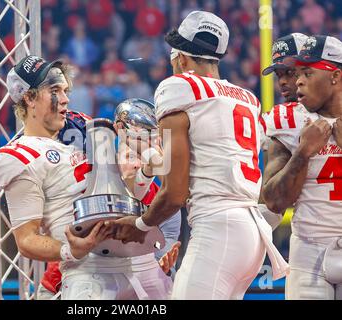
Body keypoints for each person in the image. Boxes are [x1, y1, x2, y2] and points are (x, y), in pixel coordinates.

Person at [108, 10, 289, 299]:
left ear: (179, 57)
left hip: (217, 228)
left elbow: (175, 192)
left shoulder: (179, 87)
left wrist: (140, 225)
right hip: (251, 231)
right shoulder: (248, 98)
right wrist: (149, 163)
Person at [0, 55, 173, 300]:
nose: (65, 99)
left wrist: (147, 171)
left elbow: (123, 196)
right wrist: (70, 249)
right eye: (55, 90)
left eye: (65, 90)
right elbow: (27, 239)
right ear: (29, 98)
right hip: (90, 274)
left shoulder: (86, 129)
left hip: (144, 267)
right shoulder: (18, 156)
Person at [262, 35, 342, 300]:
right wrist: (303, 153)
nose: (296, 81)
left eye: (305, 72)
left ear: (335, 76)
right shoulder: (288, 119)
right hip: (308, 251)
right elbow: (274, 201)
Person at [259, 33, 308, 230]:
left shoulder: (282, 117)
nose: (282, 82)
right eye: (279, 75)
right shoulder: (281, 117)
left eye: (289, 72)